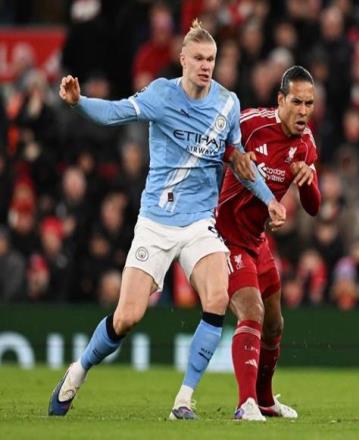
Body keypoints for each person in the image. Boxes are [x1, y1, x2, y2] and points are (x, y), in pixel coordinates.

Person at [48, 19, 286, 420]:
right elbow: (115, 112)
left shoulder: (227, 104)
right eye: (199, 58)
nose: (206, 66)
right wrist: (79, 101)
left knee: (216, 298)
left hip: (199, 222)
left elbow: (238, 161)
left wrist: (269, 200)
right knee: (127, 318)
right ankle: (79, 368)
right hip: (156, 222)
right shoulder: (161, 94)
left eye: (211, 59)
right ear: (183, 60)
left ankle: (183, 400)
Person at [216, 66, 321, 421]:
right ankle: (245, 403)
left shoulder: (306, 144)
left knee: (275, 325)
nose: (304, 111)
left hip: (257, 241)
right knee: (252, 311)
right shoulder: (250, 124)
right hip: (225, 236)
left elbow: (314, 207)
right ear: (281, 100)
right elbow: (215, 146)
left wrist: (307, 181)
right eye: (297, 102)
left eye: (309, 103)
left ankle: (264, 400)